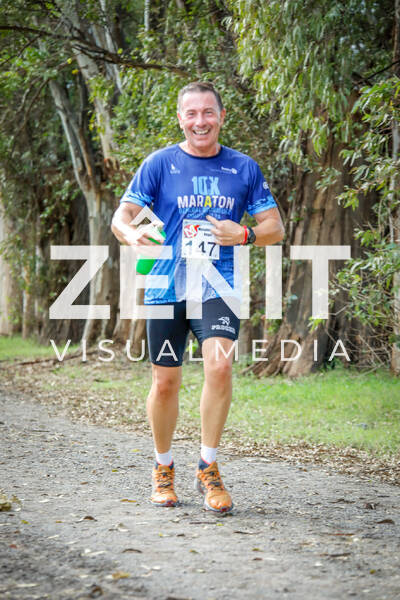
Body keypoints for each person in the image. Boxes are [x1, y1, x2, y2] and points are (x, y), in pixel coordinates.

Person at [111, 81, 284, 513]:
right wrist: (131, 235)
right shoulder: (159, 164)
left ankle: (208, 467)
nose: (200, 121)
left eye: (208, 112)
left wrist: (244, 234)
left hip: (216, 285)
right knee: (164, 382)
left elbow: (275, 228)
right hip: (166, 285)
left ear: (221, 117)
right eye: (191, 113)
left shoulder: (243, 168)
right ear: (180, 119)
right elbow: (122, 216)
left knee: (219, 367)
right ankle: (163, 467)